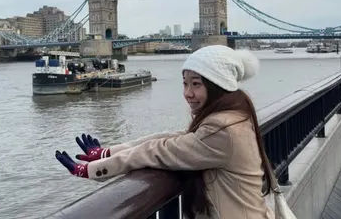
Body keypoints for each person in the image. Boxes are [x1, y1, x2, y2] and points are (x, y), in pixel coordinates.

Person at [56, 45, 275, 219]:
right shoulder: (233, 116)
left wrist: (92, 169)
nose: (187, 93)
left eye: (196, 84)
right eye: (185, 84)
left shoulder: (222, 129)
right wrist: (107, 153)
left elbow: (157, 151)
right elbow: (171, 139)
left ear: (218, 85)